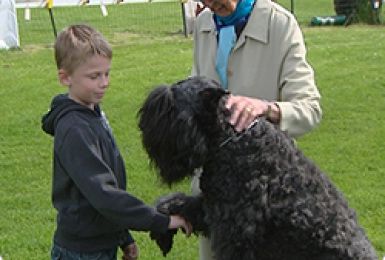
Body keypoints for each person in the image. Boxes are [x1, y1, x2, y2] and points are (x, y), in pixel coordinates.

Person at [41, 24, 191, 260]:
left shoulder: (93, 114)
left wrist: (123, 237)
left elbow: (106, 187)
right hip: (81, 252)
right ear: (65, 77)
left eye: (106, 73)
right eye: (94, 76)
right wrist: (162, 221)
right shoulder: (74, 129)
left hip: (101, 243)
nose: (104, 83)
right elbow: (104, 194)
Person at [190, 0, 322, 259]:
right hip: (214, 188)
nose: (208, 3)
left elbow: (310, 109)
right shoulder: (204, 23)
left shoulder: (280, 24)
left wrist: (268, 108)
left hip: (265, 194)